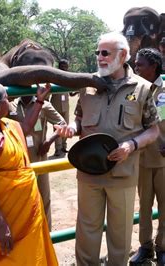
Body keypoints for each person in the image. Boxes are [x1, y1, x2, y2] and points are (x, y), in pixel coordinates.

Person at [54, 32, 160, 265]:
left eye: (105, 53)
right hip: (89, 172)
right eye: (97, 53)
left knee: (120, 235)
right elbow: (79, 118)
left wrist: (131, 145)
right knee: (86, 232)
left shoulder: (142, 89)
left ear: (122, 55)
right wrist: (70, 129)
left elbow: (153, 130)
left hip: (122, 174)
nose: (99, 58)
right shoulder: (88, 85)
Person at [0, 81, 57, 265]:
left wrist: (39, 101)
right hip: (2, 220)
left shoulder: (5, 126)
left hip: (23, 216)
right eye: (7, 99)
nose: (10, 101)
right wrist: (1, 225)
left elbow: (25, 128)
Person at [8, 84, 65, 230]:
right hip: (19, 160)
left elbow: (62, 123)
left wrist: (49, 141)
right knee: (23, 200)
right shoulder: (11, 106)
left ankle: (48, 234)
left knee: (44, 197)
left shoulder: (44, 105)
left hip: (40, 157)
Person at [129, 48, 165, 265]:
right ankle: (145, 247)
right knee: (143, 207)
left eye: (140, 64)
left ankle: (163, 248)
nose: (136, 68)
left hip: (163, 160)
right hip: (142, 159)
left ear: (153, 66)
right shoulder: (135, 89)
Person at [50, 59, 72, 156]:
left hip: (65, 106)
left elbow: (71, 93)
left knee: (66, 125)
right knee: (57, 127)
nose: (64, 68)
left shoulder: (69, 77)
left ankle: (64, 146)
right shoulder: (54, 77)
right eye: (62, 66)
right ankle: (57, 149)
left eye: (65, 66)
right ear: (59, 66)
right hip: (56, 105)